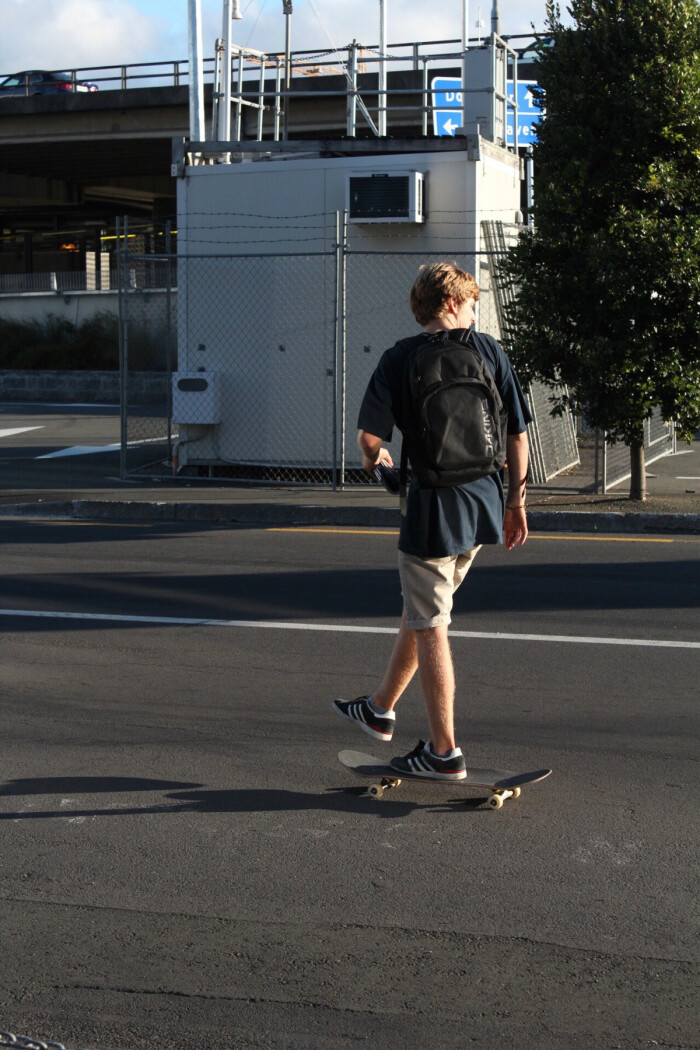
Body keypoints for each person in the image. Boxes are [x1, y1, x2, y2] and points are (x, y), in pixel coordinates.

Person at [332, 261, 531, 780]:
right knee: (425, 609)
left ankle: (444, 753)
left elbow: (368, 441)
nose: (472, 311)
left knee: (431, 622)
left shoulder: (400, 358)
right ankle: (379, 709)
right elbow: (517, 436)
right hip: (484, 507)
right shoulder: (488, 350)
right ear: (450, 303)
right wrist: (515, 504)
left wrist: (380, 467)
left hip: (431, 511)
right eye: (469, 303)